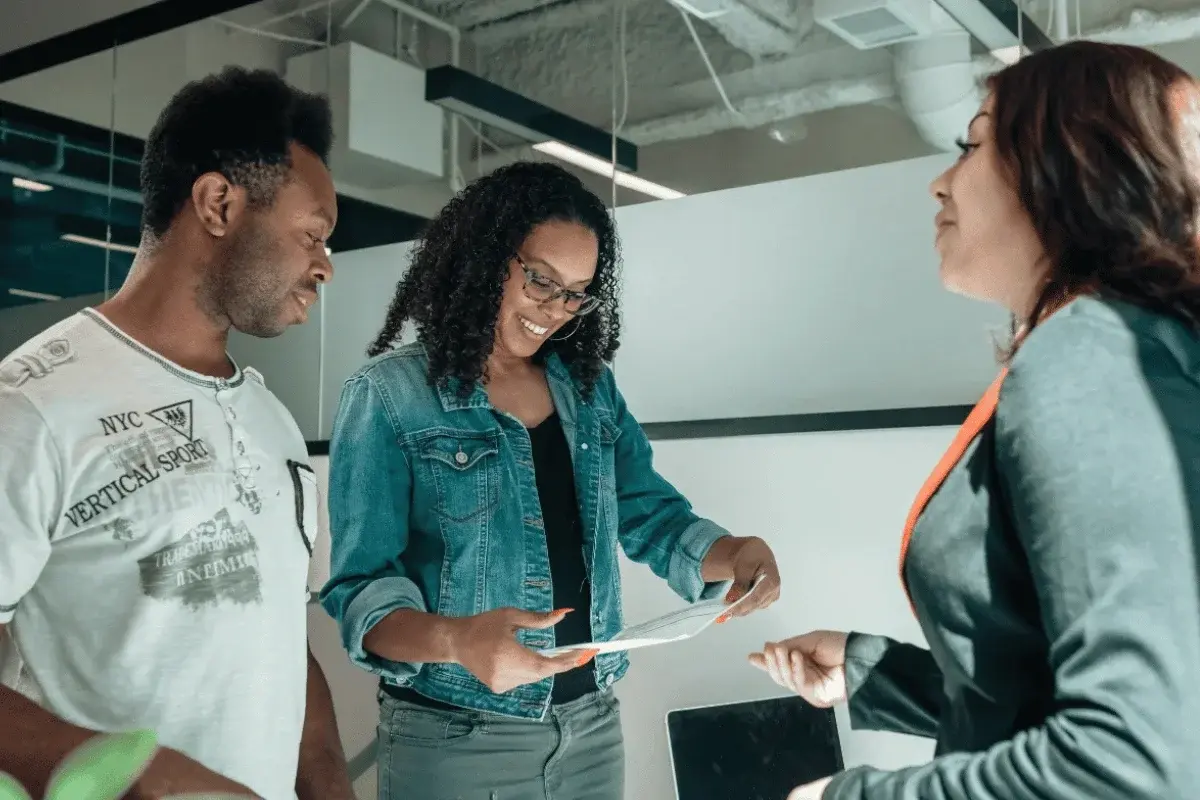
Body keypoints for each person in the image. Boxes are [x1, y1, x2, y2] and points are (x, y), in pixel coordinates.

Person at [750, 41, 1200, 800]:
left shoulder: (1087, 356)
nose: (939, 181)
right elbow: (1048, 694)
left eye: (973, 146)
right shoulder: (1134, 348)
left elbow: (1134, 760)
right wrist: (871, 674)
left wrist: (845, 798)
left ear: (1064, 167)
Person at [320, 160, 782, 799]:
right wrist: (458, 640)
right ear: (484, 258)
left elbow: (649, 512)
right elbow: (357, 592)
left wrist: (733, 554)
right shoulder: (389, 396)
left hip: (590, 728)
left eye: (576, 292)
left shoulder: (587, 390)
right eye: (540, 280)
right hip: (458, 739)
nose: (556, 310)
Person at [0, 67, 354, 800]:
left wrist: (327, 783)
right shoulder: (33, 404)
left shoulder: (272, 422)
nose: (324, 265)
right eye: (312, 234)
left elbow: (280, 638)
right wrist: (137, 775)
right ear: (219, 203)